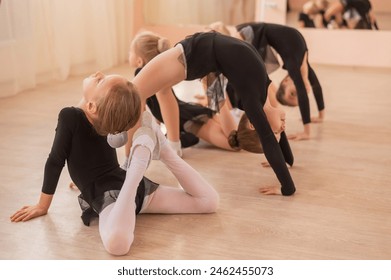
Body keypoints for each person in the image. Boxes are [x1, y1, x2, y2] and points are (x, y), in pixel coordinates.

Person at [10, 72, 219, 256]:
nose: (98, 73)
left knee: (117, 245)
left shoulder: (70, 115)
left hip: (111, 195)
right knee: (208, 202)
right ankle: (161, 148)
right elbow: (89, 156)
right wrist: (80, 178)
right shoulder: (106, 116)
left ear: (92, 106)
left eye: (101, 81)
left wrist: (42, 205)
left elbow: (55, 161)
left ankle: (137, 170)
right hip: (130, 188)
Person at [96, 31, 296, 196]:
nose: (282, 128)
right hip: (198, 52)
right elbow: (273, 133)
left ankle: (126, 166)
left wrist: (287, 188)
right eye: (280, 131)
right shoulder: (263, 93)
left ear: (254, 124)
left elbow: (269, 138)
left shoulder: (254, 102)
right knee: (160, 92)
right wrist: (288, 160)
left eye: (278, 132)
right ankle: (170, 147)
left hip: (192, 56)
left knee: (133, 95)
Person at [125, 31, 264, 160]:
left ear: (139, 60)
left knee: (235, 144)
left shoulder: (141, 74)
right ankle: (216, 94)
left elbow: (142, 112)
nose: (128, 54)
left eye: (131, 51)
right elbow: (156, 109)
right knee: (234, 140)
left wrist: (131, 152)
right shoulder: (160, 72)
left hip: (187, 118)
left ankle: (216, 94)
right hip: (188, 113)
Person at [226, 22, 326, 140]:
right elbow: (315, 86)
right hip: (250, 32)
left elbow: (309, 89)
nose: (300, 93)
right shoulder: (298, 64)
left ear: (286, 82)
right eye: (297, 96)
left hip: (251, 32)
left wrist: (307, 131)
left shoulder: (293, 64)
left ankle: (233, 101)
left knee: (249, 70)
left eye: (292, 94)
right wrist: (319, 117)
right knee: (249, 70)